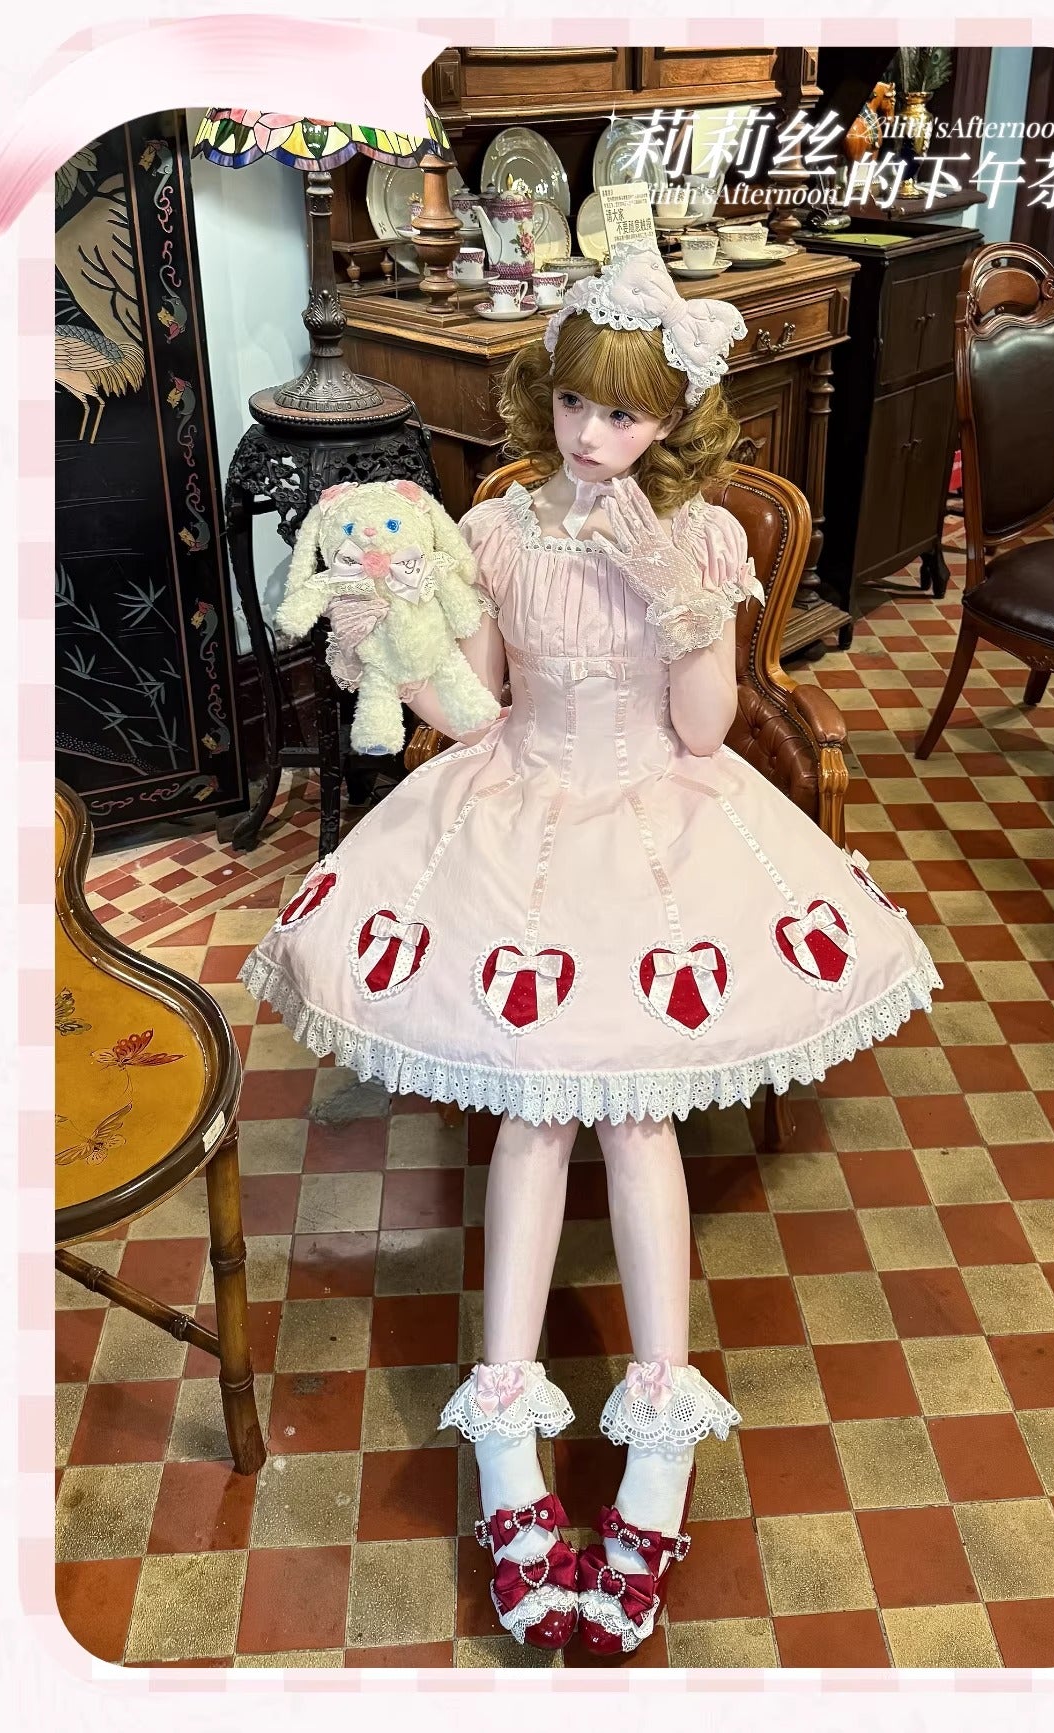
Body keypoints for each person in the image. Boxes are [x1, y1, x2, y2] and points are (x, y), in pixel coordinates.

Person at [239, 241, 944, 1658]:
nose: (589, 434)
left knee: (635, 1119)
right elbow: (481, 710)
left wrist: (666, 581)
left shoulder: (703, 536)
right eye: (573, 402)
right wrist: (390, 640)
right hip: (519, 814)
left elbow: (705, 730)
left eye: (622, 412)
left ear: (673, 417)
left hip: (660, 823)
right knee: (533, 1116)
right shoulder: (499, 529)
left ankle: (660, 1433)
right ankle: (507, 1436)